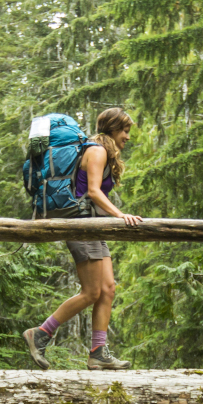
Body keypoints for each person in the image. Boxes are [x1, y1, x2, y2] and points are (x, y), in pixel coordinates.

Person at [23, 107, 142, 370]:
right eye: (124, 130)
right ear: (111, 128)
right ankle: (40, 333)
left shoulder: (99, 151)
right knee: (91, 292)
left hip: (93, 225)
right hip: (81, 225)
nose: (127, 137)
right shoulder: (97, 151)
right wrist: (122, 216)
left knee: (108, 288)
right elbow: (93, 192)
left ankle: (98, 351)